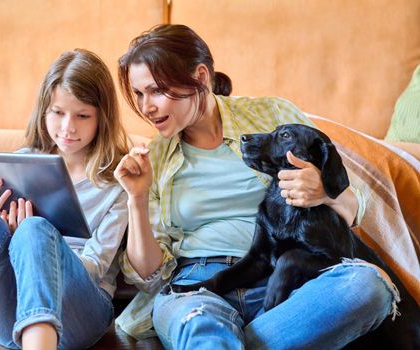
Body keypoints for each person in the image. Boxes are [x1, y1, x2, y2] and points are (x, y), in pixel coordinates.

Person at [113, 24, 397, 349]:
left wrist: (322, 192)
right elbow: (147, 274)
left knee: (367, 286)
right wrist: (136, 197)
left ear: (201, 77)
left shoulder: (270, 114)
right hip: (198, 285)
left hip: (285, 281)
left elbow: (356, 205)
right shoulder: (155, 158)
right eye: (139, 93)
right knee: (199, 324)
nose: (146, 106)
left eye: (157, 90)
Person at [0, 49, 129, 350]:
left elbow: (96, 266)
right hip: (10, 316)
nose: (68, 127)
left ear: (102, 117)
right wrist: (0, 228)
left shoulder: (116, 181)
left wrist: (38, 240)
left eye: (82, 115)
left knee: (34, 229)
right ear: (44, 110)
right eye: (58, 113)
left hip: (79, 315)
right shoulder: (21, 164)